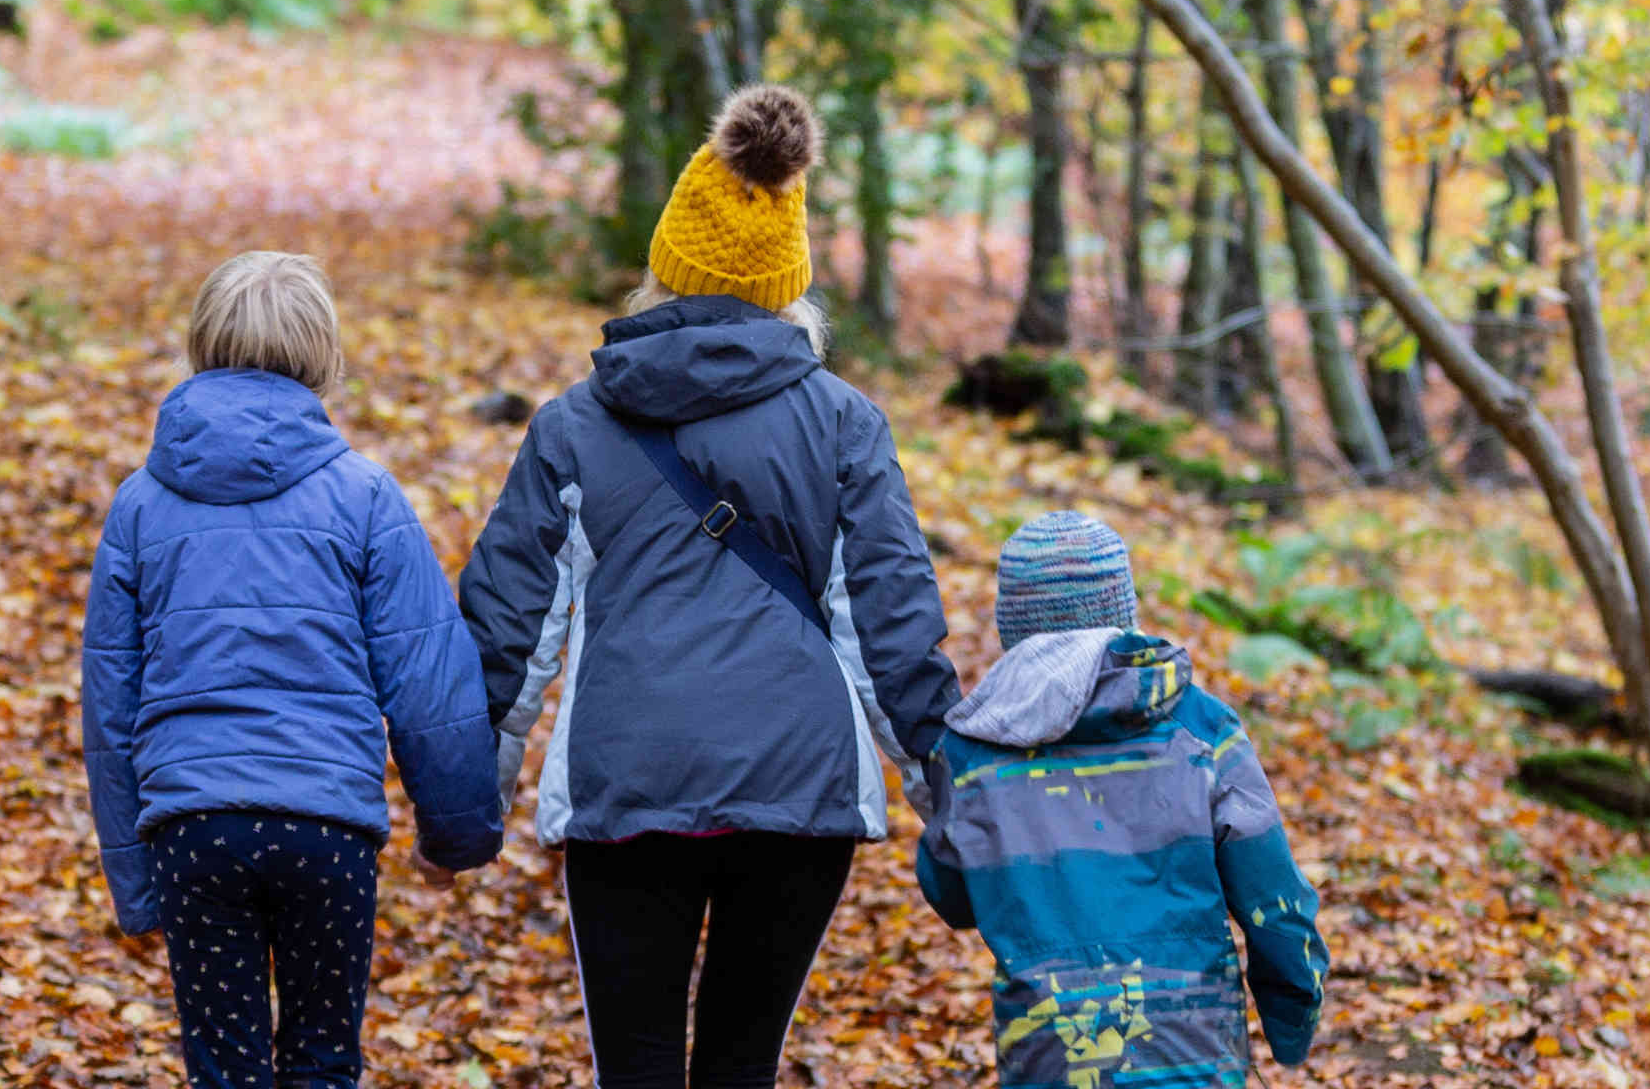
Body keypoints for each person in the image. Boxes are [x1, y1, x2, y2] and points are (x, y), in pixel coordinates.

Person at [458, 84, 960, 1089]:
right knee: (741, 1065)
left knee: (634, 1067)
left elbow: (510, 626)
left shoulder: (572, 426)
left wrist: (470, 791)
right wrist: (946, 788)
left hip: (627, 780)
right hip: (799, 787)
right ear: (790, 279)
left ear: (664, 266)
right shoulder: (842, 424)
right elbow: (889, 622)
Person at [78, 251, 502, 1088]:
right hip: (326, 829)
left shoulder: (141, 503)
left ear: (202, 345)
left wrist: (134, 874)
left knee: (224, 1069)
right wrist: (455, 836)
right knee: (321, 1059)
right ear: (323, 355)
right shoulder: (365, 496)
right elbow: (429, 680)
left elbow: (110, 702)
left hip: (194, 827)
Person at [916, 511, 1327, 1088]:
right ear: (1121, 611)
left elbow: (952, 896)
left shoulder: (972, 749)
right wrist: (1292, 1022)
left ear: (1011, 622)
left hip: (1050, 1058)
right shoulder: (1200, 727)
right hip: (1191, 1055)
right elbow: (1275, 901)